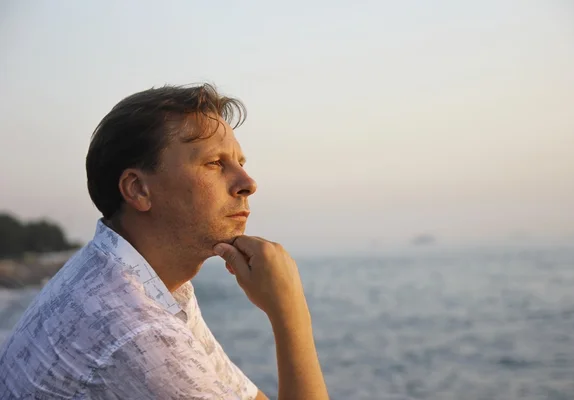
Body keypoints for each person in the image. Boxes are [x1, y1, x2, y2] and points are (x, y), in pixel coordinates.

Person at [0, 84, 329, 399]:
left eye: (240, 164)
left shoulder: (145, 280)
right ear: (138, 189)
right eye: (215, 163)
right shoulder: (135, 331)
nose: (248, 183)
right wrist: (290, 312)